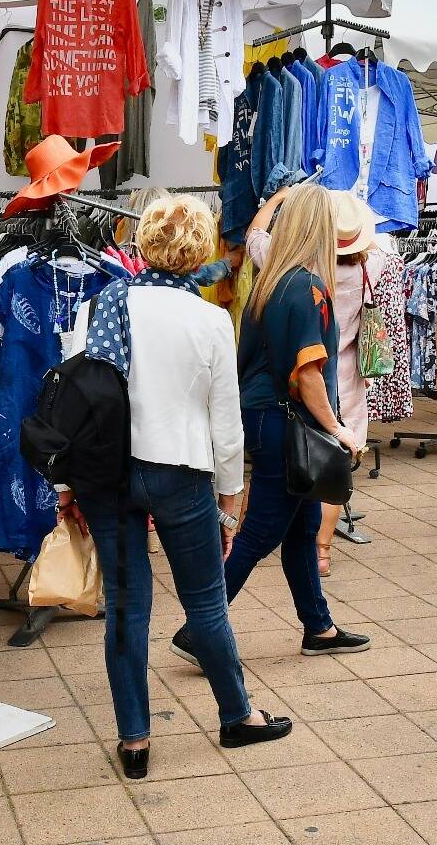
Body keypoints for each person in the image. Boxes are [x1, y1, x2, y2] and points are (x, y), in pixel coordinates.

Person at [71, 192, 293, 778]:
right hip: (181, 471)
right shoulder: (211, 319)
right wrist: (230, 500)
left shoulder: (105, 302)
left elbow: (81, 398)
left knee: (126, 607)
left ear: (144, 241)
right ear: (200, 251)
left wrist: (70, 483)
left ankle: (135, 739)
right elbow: (226, 421)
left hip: (108, 472)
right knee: (205, 602)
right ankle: (237, 715)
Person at [199, 183, 370, 657]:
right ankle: (200, 628)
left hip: (266, 416)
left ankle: (319, 627)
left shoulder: (271, 278)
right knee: (262, 531)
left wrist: (277, 199)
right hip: (286, 420)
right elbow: (308, 372)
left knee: (301, 526)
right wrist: (337, 428)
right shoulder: (306, 287)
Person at [245, 189, 385, 577]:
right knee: (330, 467)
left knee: (282, 474)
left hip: (299, 381)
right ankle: (322, 550)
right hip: (341, 379)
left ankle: (257, 540)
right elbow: (378, 246)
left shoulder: (283, 269)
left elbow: (254, 236)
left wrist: (276, 201)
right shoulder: (368, 267)